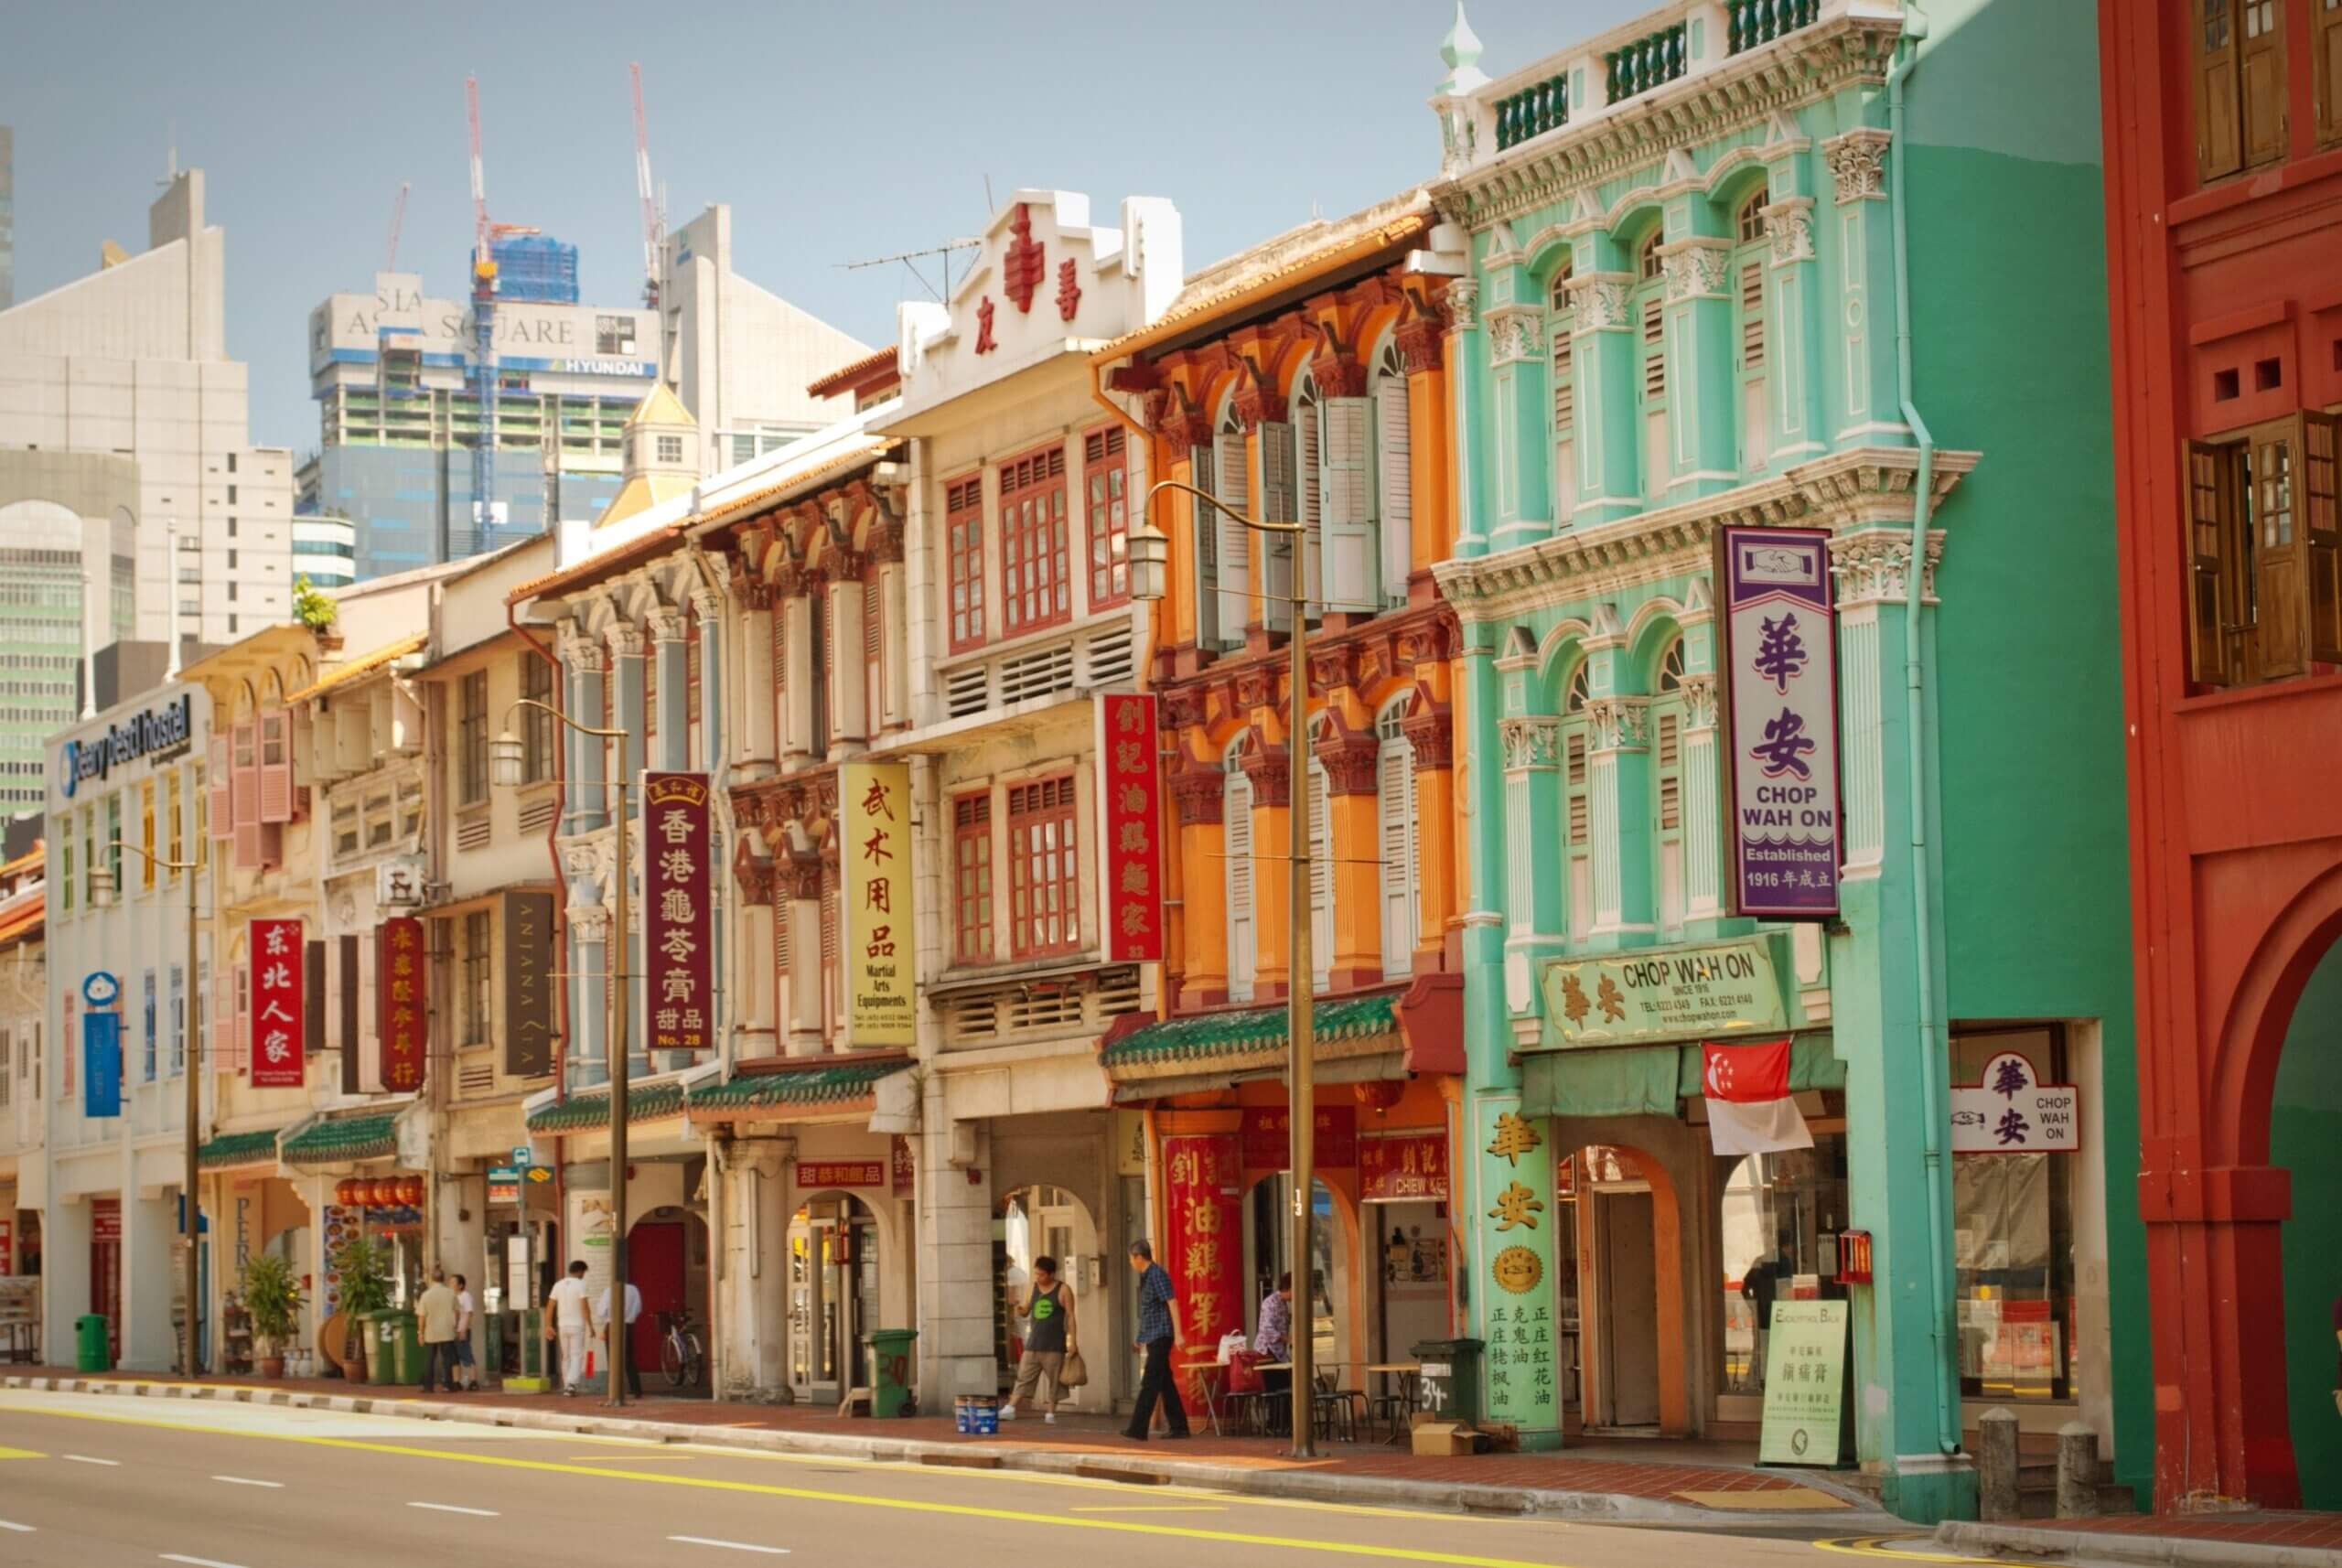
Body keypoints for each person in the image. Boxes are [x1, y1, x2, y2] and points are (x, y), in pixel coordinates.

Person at [1122, 1240, 1189, 1441]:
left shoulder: (1157, 1274)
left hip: (1162, 1335)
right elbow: (1148, 1311)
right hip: (1153, 1335)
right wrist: (1140, 1338)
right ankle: (1179, 1426)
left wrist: (1178, 1334)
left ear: (1138, 1257)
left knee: (1149, 1381)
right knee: (1164, 1382)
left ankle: (1137, 1428)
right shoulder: (1146, 1276)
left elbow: (1172, 1302)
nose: (1131, 1263)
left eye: (1131, 1259)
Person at [1001, 1255, 1077, 1424]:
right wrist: (1019, 1309)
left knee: (1055, 1380)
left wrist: (1072, 1342)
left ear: (1051, 1274)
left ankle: (1050, 1413)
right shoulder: (1033, 1287)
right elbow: (1026, 1309)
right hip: (1034, 1342)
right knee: (1023, 1376)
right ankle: (1010, 1408)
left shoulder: (1063, 1289)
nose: (1038, 1277)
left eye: (1041, 1274)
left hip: (1054, 1344)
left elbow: (1071, 1316)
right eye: (1036, 1274)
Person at [1741, 1233, 1797, 1389]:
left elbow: (1744, 1288)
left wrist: (1752, 1306)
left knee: (1760, 1349)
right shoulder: (1784, 1263)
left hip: (1761, 1314)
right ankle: (1776, 1382)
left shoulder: (1759, 1261)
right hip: (1780, 1315)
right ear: (1787, 1246)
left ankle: (1760, 1381)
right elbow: (1787, 1288)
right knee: (1780, 1349)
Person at [545, 1261, 596, 1396]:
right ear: (580, 1271)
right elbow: (584, 1307)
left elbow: (550, 1306)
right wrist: (590, 1326)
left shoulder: (558, 1284)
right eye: (584, 1272)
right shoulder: (581, 1284)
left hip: (562, 1325)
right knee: (576, 1355)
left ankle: (567, 1384)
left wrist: (548, 1325)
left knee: (565, 1356)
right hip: (577, 1325)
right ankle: (571, 1384)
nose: (584, 1275)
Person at [596, 1277, 644, 1398]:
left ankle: (615, 1390)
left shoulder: (609, 1290)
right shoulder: (634, 1290)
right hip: (628, 1325)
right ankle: (636, 1389)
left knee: (612, 1358)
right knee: (629, 1358)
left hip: (612, 1325)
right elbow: (638, 1308)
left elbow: (602, 1311)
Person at [416, 1271, 459, 1396]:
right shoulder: (451, 1293)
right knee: (448, 1359)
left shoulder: (426, 1295)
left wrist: (420, 1332)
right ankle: (448, 1385)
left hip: (431, 1331)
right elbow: (457, 1311)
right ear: (443, 1279)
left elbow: (422, 1316)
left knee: (430, 1359)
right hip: (447, 1330)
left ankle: (429, 1386)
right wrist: (454, 1325)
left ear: (432, 1279)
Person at [451, 1273, 478, 1391]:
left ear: (460, 1285)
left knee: (467, 1355)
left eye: (453, 1282)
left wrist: (464, 1329)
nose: (451, 1285)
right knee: (455, 1357)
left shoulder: (465, 1296)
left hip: (462, 1330)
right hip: (453, 1331)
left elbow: (469, 1313)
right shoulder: (453, 1297)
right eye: (450, 1282)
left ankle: (473, 1381)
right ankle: (456, 1381)